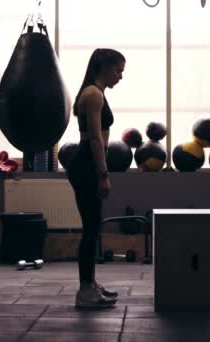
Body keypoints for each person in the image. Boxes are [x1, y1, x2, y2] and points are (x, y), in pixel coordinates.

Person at [65, 48, 126, 309]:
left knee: (93, 227)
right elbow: (95, 139)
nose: (120, 77)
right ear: (104, 67)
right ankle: (85, 290)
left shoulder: (95, 93)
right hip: (87, 166)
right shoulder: (93, 94)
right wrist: (103, 174)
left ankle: (90, 284)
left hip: (87, 165)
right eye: (118, 70)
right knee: (90, 229)